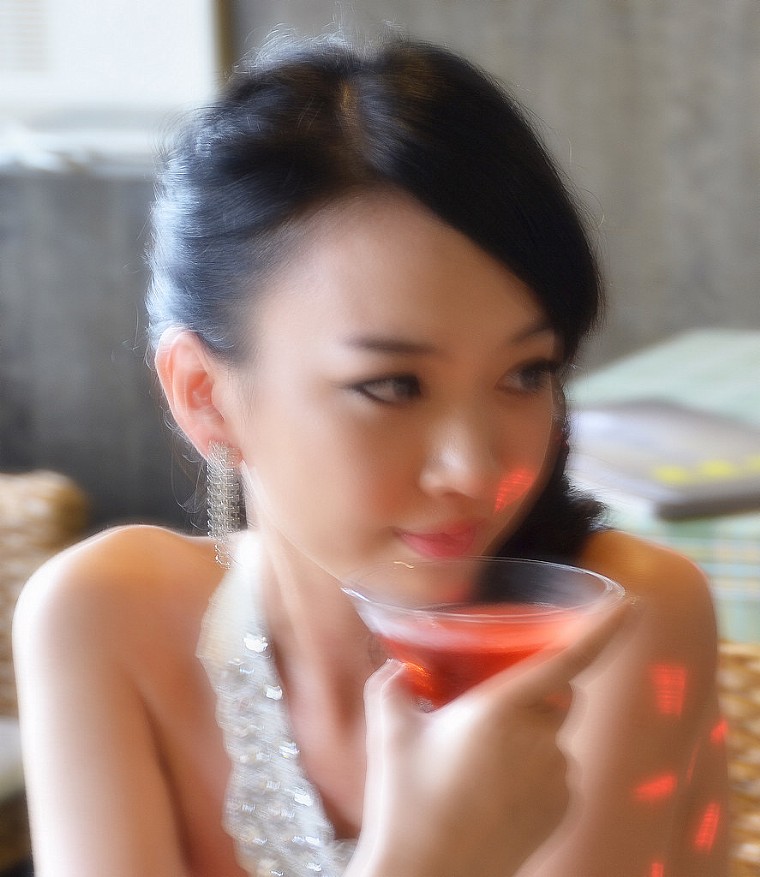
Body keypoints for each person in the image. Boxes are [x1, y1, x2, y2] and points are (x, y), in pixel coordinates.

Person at [12, 36, 729, 877]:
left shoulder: (622, 622)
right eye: (393, 385)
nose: (476, 469)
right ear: (206, 394)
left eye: (525, 372)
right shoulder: (103, 616)